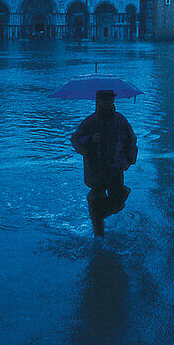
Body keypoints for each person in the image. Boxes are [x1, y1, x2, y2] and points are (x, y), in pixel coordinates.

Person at [70, 89, 138, 236]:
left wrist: (127, 160)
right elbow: (75, 141)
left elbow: (131, 140)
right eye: (104, 100)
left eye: (110, 99)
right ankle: (98, 234)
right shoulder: (90, 121)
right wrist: (90, 139)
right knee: (96, 201)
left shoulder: (120, 120)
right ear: (98, 101)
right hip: (95, 171)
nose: (107, 103)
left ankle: (98, 216)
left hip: (115, 169)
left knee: (117, 201)